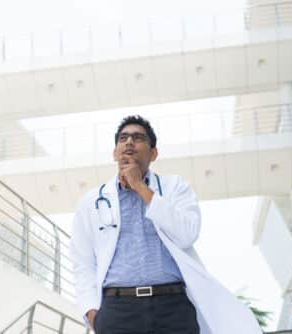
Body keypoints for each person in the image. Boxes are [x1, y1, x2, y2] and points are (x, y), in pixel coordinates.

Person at [70, 115, 262, 334]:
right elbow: (82, 261)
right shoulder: (91, 201)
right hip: (117, 311)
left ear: (153, 153)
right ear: (115, 152)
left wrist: (140, 187)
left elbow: (187, 233)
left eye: (138, 137)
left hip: (172, 306)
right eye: (123, 138)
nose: (129, 142)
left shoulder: (176, 188)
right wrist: (92, 313)